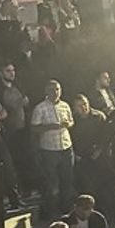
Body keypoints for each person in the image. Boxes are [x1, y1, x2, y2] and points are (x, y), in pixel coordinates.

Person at [30, 79, 76, 218]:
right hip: (49, 149)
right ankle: (51, 210)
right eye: (52, 90)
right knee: (51, 182)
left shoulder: (65, 105)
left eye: (57, 89)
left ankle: (66, 208)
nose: (55, 92)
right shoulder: (40, 108)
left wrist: (68, 124)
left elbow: (71, 121)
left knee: (67, 179)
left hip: (66, 146)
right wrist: (51, 126)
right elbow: (34, 127)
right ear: (46, 91)